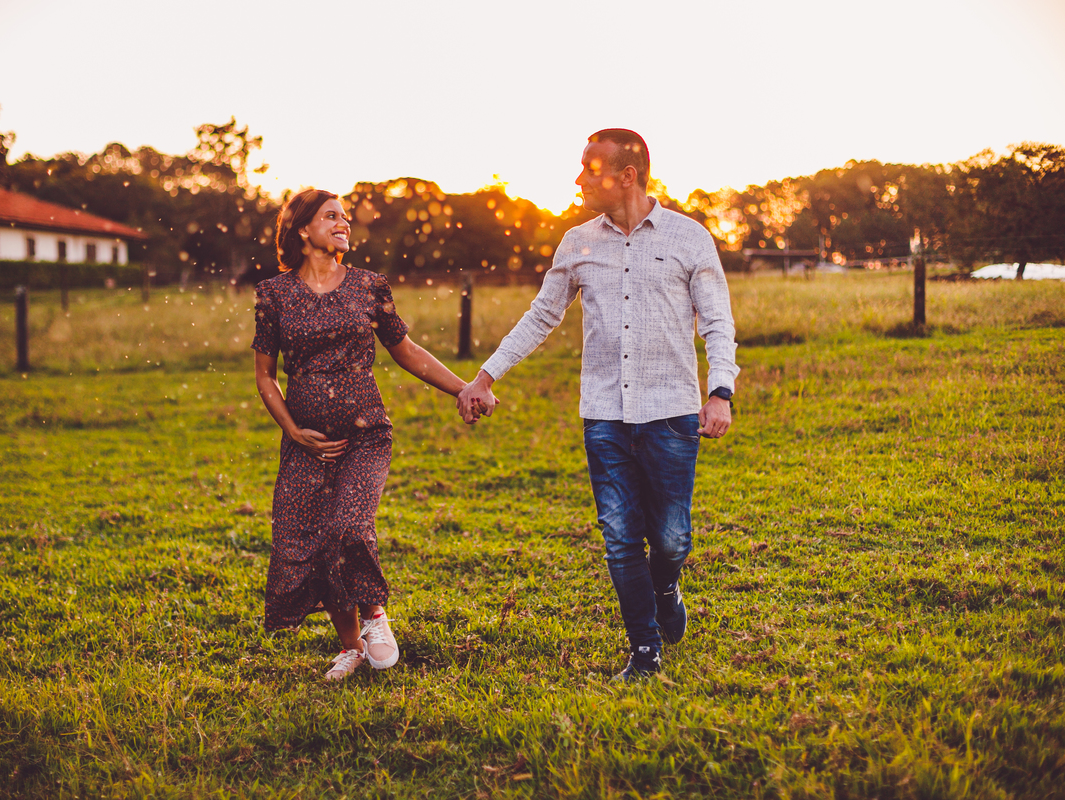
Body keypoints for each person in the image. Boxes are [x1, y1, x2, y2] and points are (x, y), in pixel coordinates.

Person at [458, 129, 739, 681]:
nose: (579, 179)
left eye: (590, 169)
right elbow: (542, 315)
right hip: (605, 414)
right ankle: (644, 650)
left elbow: (717, 321)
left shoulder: (690, 238)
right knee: (618, 535)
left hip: (671, 412)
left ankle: (666, 584)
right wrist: (485, 376)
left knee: (672, 538)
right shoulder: (577, 242)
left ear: (626, 175)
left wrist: (720, 389)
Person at [253, 189, 472, 681]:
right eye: (331, 216)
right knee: (305, 542)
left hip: (365, 434)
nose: (343, 224)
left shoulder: (369, 286)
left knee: (347, 527)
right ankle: (351, 646)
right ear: (303, 229)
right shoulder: (274, 294)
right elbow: (265, 374)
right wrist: (294, 431)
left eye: (346, 218)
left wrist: (464, 389)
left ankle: (374, 614)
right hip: (306, 442)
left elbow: (407, 351)